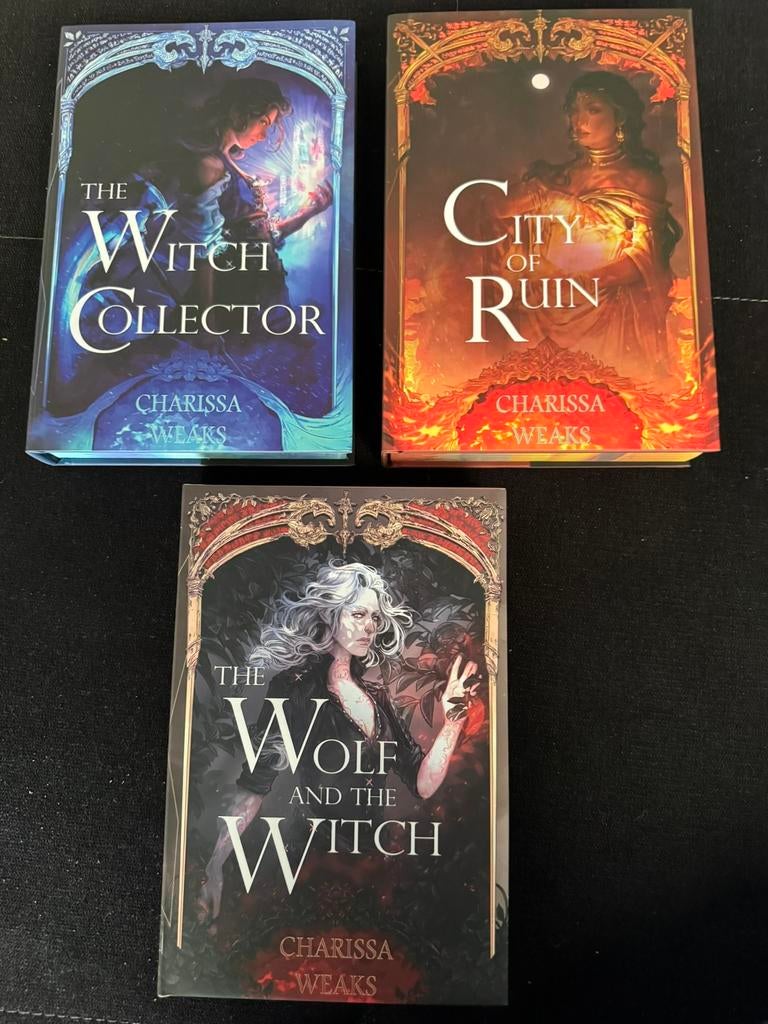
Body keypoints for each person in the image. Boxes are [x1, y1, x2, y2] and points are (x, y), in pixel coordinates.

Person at [196, 561, 480, 923]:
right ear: (330, 616)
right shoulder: (294, 689)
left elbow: (422, 784)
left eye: (375, 618)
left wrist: (453, 721)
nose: (370, 626)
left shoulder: (378, 697)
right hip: (310, 871)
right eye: (358, 614)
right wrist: (216, 864)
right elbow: (254, 786)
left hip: (373, 873)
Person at [493, 70, 682, 383]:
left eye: (593, 110)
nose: (579, 120)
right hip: (541, 307)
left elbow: (643, 260)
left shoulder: (642, 181)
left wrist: (577, 283)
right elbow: (501, 221)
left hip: (606, 314)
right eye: (573, 110)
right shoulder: (554, 175)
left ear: (620, 118)